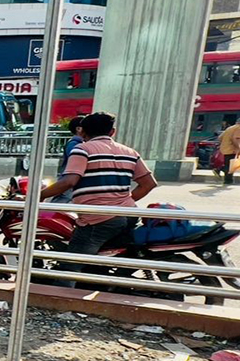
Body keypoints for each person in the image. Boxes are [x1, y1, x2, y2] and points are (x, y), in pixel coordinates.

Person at [42, 111, 156, 282]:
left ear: (82, 132)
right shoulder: (129, 152)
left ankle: (60, 304)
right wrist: (122, 202)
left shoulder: (82, 149)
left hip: (98, 219)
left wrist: (37, 196)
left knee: (68, 268)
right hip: (129, 214)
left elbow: (69, 181)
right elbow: (149, 184)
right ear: (112, 132)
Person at [215, 117, 240, 185]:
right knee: (230, 166)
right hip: (232, 149)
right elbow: (236, 139)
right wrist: (239, 148)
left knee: (228, 165)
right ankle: (228, 180)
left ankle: (219, 170)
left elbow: (220, 137)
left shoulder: (230, 128)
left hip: (225, 149)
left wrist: (224, 144)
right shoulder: (239, 128)